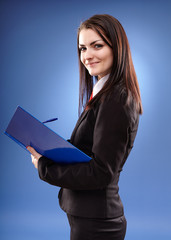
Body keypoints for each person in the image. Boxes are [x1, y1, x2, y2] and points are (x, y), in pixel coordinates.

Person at [27, 14, 143, 240]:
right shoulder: (104, 93)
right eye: (82, 48)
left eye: (96, 46)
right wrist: (49, 148)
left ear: (117, 48)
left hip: (97, 224)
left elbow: (101, 173)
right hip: (89, 217)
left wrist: (44, 166)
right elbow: (88, 150)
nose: (87, 56)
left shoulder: (116, 99)